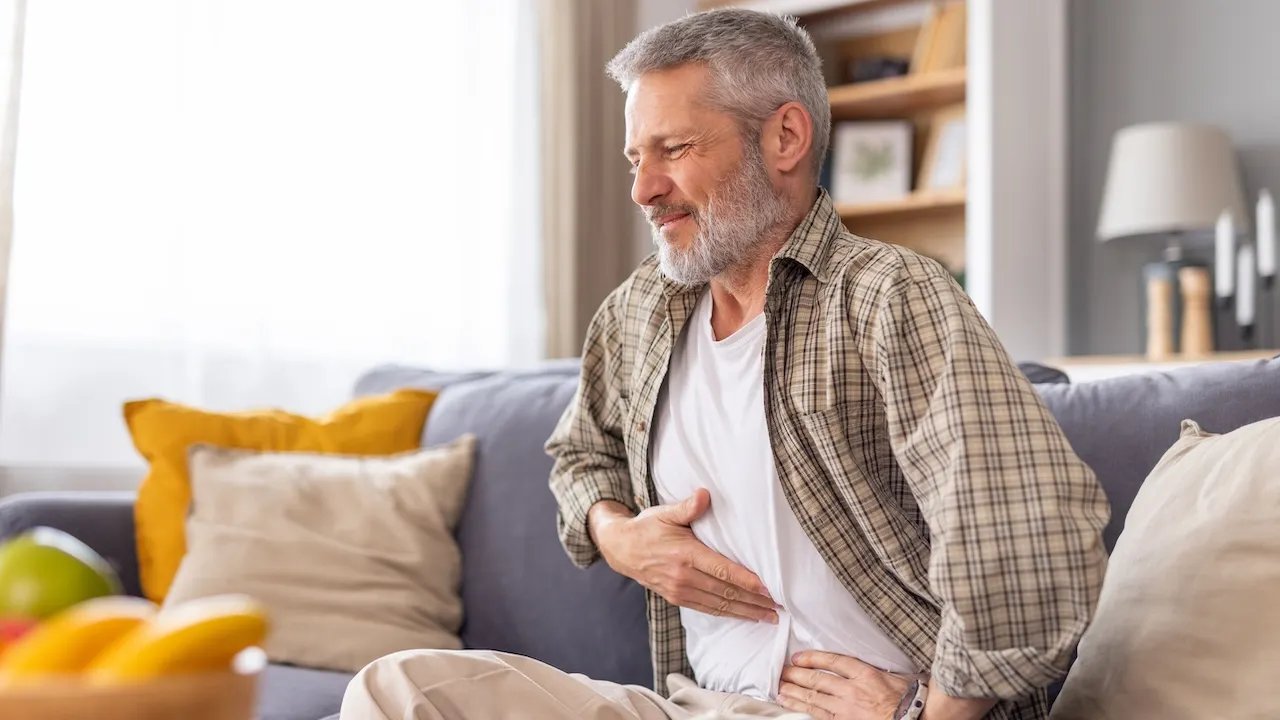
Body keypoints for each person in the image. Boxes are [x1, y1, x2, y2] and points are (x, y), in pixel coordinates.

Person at [340, 9, 1108, 720]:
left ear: (784, 138)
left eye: (674, 150)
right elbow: (581, 456)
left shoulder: (889, 298)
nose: (644, 189)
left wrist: (928, 713)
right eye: (637, 157)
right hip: (692, 705)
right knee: (398, 688)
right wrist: (619, 538)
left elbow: (1030, 537)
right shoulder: (639, 312)